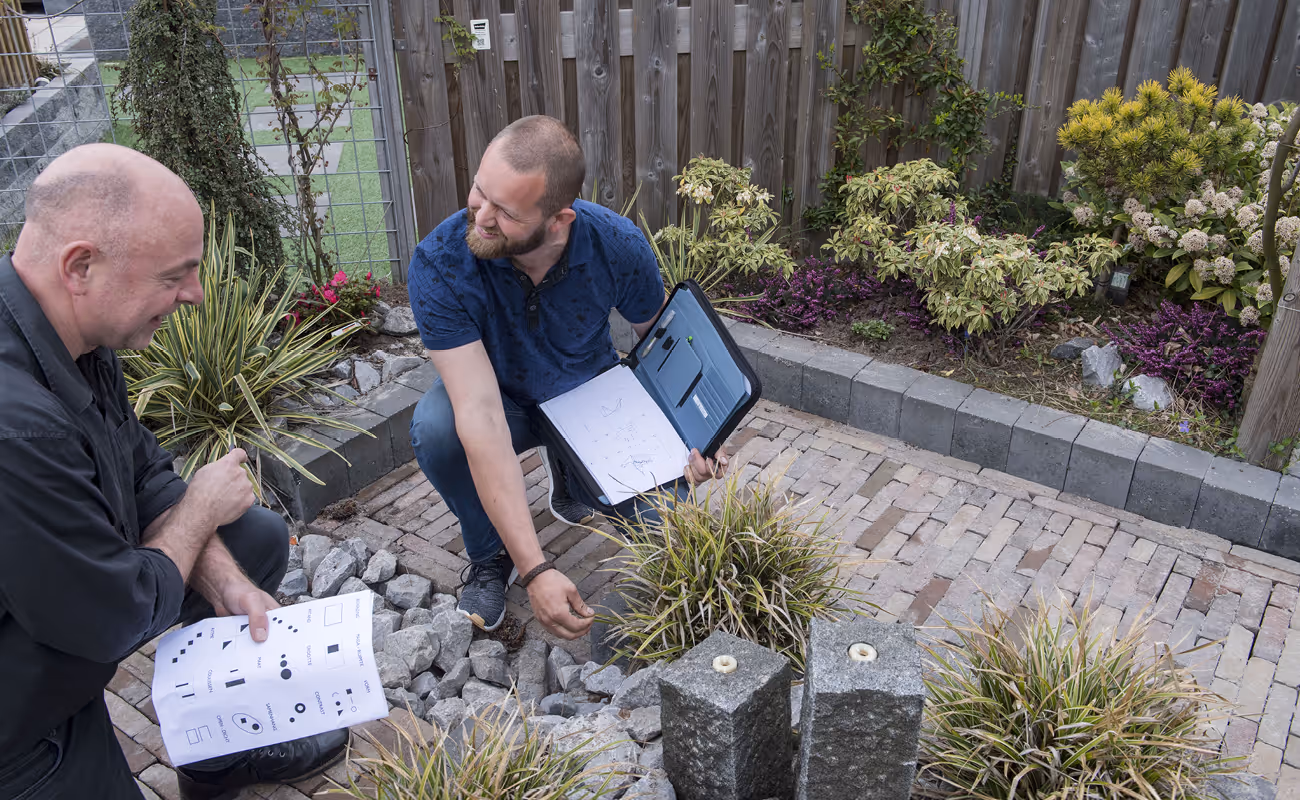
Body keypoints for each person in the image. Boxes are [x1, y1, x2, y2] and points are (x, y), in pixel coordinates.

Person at [0, 144, 347, 800]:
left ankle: (219, 749)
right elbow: (111, 614)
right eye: (174, 275)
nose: (194, 294)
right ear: (81, 266)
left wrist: (225, 585)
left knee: (253, 543)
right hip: (16, 714)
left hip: (57, 606)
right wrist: (198, 510)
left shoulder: (74, 331)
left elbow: (143, 471)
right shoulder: (17, 424)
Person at [408, 115, 727, 641]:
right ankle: (491, 555)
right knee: (439, 427)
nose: (480, 218)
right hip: (502, 400)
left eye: (505, 212)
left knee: (674, 538)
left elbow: (664, 347)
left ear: (558, 220)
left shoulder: (615, 244)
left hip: (590, 396)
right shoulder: (441, 263)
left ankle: (572, 463)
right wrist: (535, 569)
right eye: (479, 192)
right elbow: (480, 415)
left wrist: (699, 438)